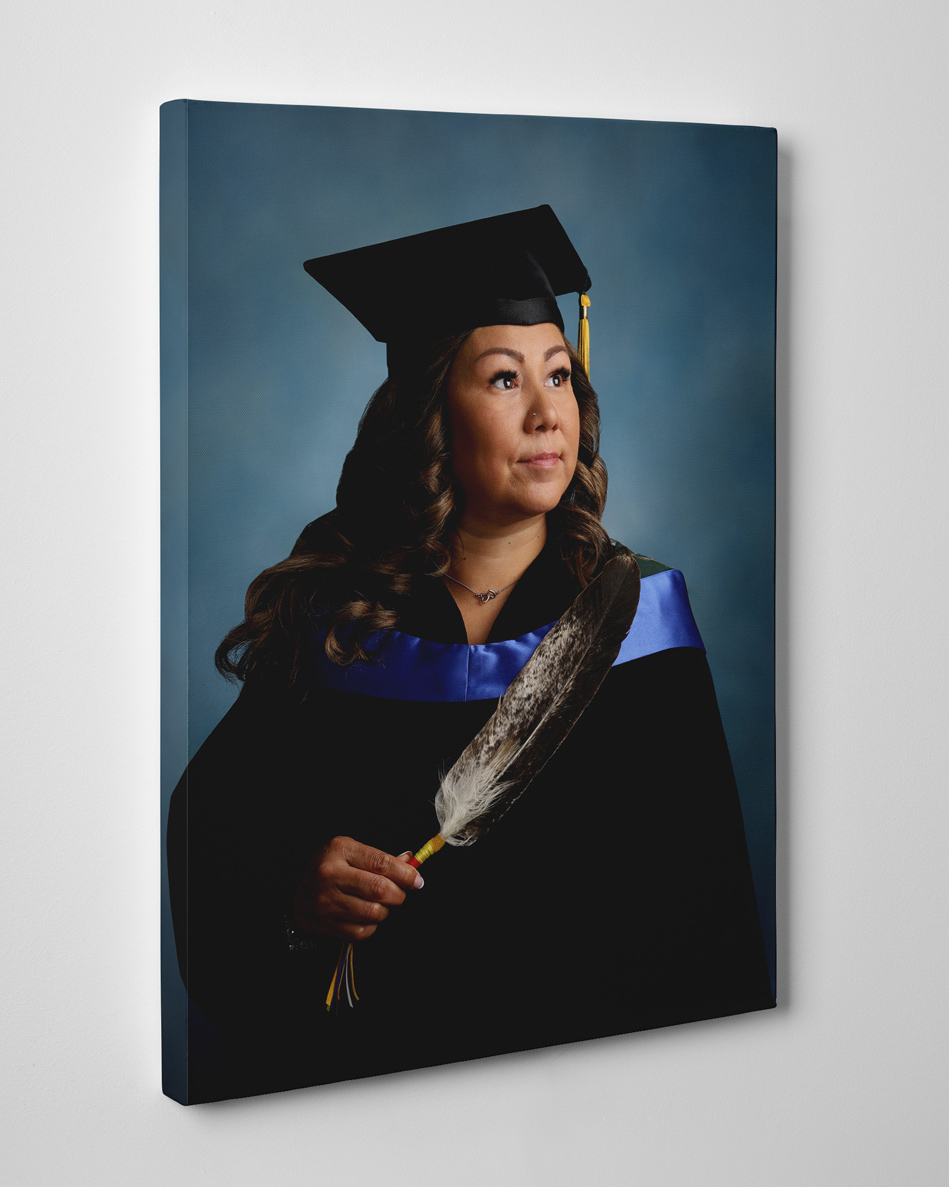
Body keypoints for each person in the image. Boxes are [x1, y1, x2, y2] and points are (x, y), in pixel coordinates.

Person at [167, 206, 774, 1104]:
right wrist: (299, 893)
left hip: (589, 1091)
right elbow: (215, 834)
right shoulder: (342, 627)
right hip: (363, 1085)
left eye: (559, 375)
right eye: (501, 379)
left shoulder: (638, 620)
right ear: (429, 415)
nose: (545, 413)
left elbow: (704, 915)